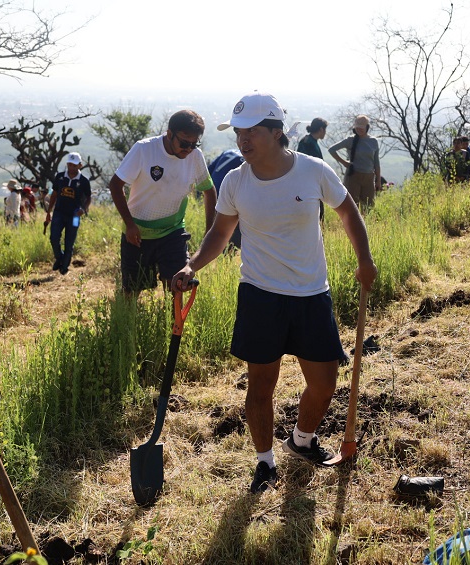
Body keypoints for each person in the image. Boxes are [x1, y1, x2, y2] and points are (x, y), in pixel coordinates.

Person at [171, 92, 377, 494]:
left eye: (251, 133)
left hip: (311, 292)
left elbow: (349, 212)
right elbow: (220, 233)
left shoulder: (313, 171)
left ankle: (301, 440)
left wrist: (364, 260)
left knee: (324, 383)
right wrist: (192, 264)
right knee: (260, 385)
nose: (242, 141)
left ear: (276, 132)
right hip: (260, 294)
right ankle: (264, 463)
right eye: (238, 133)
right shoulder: (235, 180)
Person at [108, 109, 216, 294]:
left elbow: (209, 191)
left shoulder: (195, 157)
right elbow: (115, 185)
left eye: (194, 144)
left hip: (173, 232)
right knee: (132, 291)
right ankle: (127, 322)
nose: (188, 149)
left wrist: (210, 232)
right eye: (184, 143)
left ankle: (175, 323)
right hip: (138, 235)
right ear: (169, 134)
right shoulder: (144, 149)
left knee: (177, 286)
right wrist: (130, 225)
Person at [46, 152, 92, 275]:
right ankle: (60, 258)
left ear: (80, 166)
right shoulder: (60, 177)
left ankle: (64, 266)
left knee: (69, 241)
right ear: (67, 164)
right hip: (59, 213)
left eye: (74, 165)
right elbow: (54, 194)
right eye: (69, 165)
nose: (71, 168)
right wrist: (49, 212)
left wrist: (84, 209)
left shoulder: (84, 181)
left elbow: (88, 198)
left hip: (75, 215)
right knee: (54, 238)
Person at [328, 115, 382, 211]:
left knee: (368, 206)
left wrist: (378, 180)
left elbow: (376, 163)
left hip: (369, 178)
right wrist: (344, 162)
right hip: (353, 177)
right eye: (357, 128)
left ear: (367, 127)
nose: (359, 130)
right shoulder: (350, 140)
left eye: (361, 128)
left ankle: (366, 225)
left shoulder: (373, 141)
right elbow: (332, 150)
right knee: (352, 207)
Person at [207, 148, 244, 249]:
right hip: (229, 199)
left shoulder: (228, 152)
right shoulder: (249, 160)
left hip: (212, 194)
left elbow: (208, 171)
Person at [296, 117, 329, 220]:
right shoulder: (307, 142)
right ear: (321, 129)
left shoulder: (311, 141)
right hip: (309, 185)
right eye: (325, 129)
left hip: (314, 184)